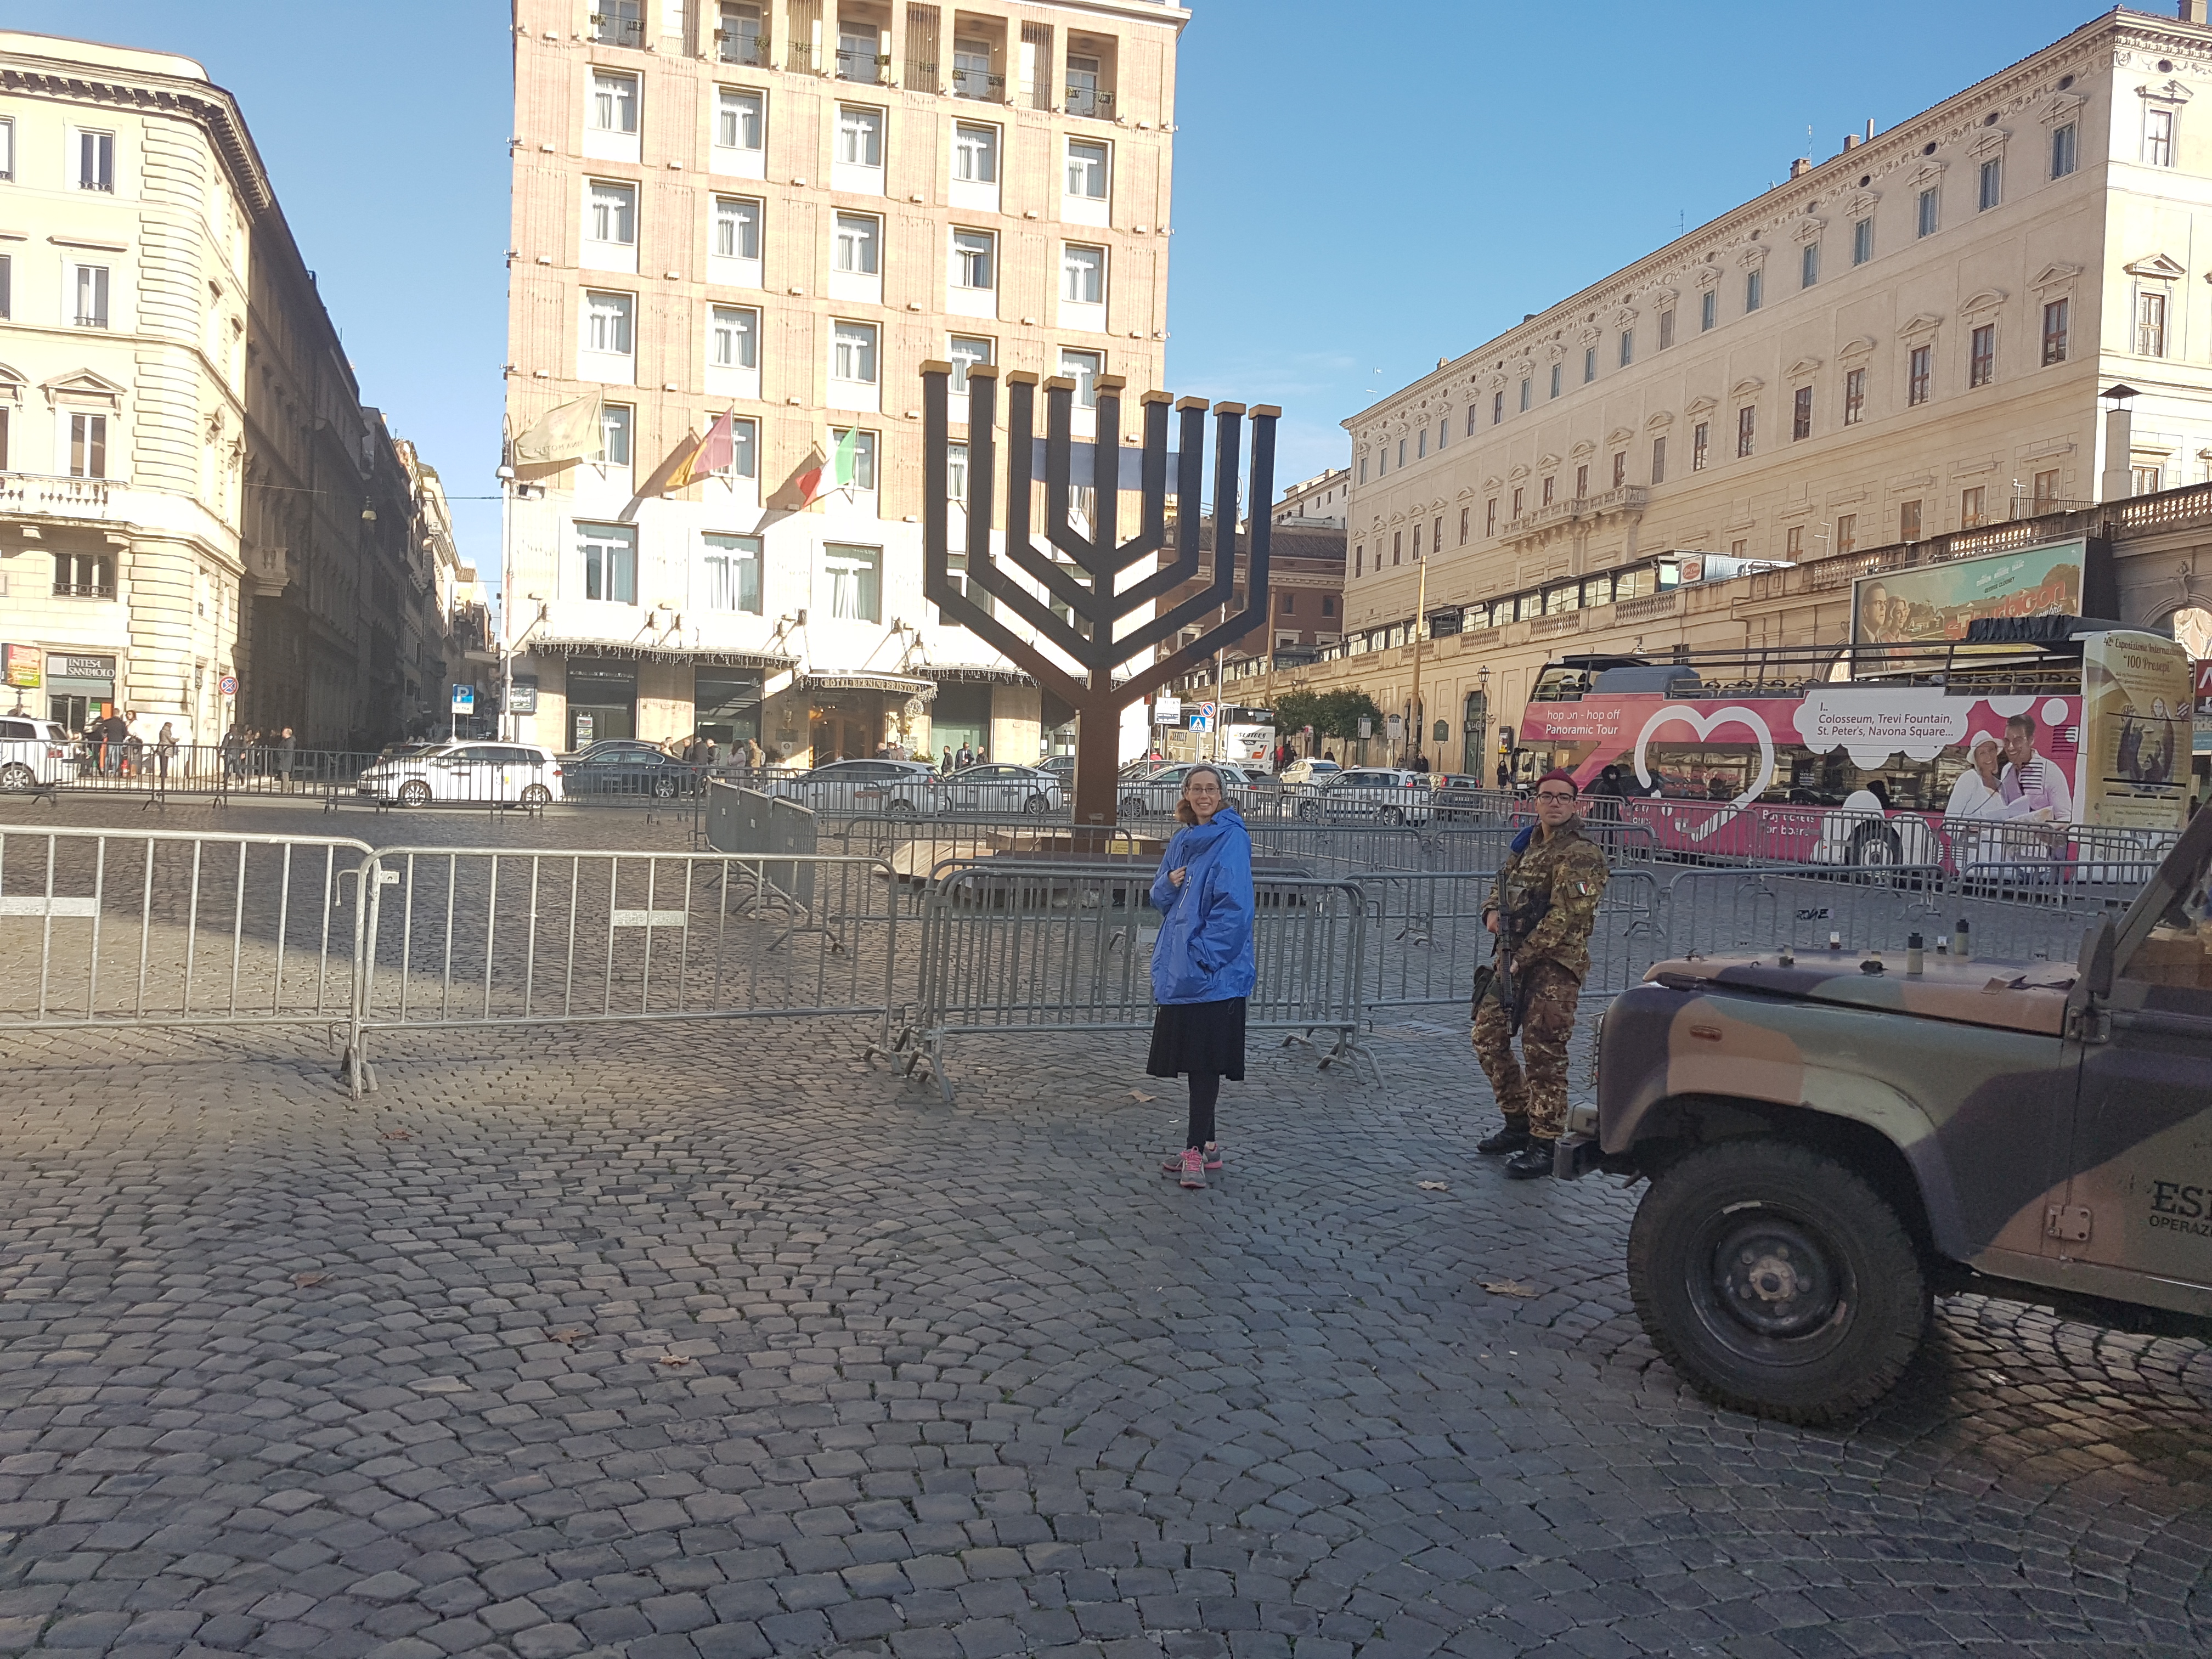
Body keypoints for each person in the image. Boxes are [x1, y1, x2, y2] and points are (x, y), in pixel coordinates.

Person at [1471, 770, 1612, 1178]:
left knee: (1544, 1054)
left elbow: (1566, 918)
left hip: (1555, 967)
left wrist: (1521, 957)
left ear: (1575, 804)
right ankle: (1518, 1121)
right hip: (1512, 958)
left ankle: (1545, 1142)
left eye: (1563, 797)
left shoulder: (1581, 853)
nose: (1554, 803)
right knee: (1487, 1037)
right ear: (1536, 801)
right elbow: (1501, 887)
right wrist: (1491, 913)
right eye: (1547, 796)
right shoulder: (1527, 844)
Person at [1147, 765, 1255, 1190]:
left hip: (1211, 972)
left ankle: (1193, 1149)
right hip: (1182, 969)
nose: (1204, 795)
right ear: (1187, 794)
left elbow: (1235, 907)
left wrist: (1205, 957)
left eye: (1211, 789)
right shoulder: (1182, 840)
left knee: (1205, 1064)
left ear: (1221, 794)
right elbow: (1161, 896)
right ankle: (1207, 1144)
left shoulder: (1231, 839)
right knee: (1196, 1059)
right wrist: (1167, 884)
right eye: (1197, 789)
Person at [1999, 712, 2073, 820]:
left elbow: (2065, 818)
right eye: (2007, 741)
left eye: (2017, 741)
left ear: (2031, 740)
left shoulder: (2050, 772)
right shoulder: (2006, 771)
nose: (2010, 747)